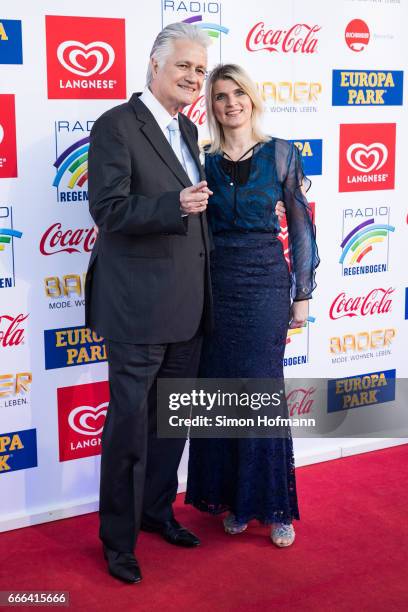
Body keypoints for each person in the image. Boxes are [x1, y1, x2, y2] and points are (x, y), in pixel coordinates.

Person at [85, 23, 214, 583]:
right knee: (130, 427)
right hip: (137, 310)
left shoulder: (188, 132)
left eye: (200, 70)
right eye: (185, 66)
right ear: (153, 67)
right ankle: (118, 541)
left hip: (189, 307)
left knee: (172, 423)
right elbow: (108, 210)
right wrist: (172, 206)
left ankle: (157, 512)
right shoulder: (116, 124)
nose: (194, 78)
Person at [185, 64, 319, 547]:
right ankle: (234, 501)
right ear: (212, 105)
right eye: (220, 96)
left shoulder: (282, 153)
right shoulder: (200, 158)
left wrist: (302, 293)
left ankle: (273, 505)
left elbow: (302, 226)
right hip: (215, 284)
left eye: (237, 92)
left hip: (264, 282)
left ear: (252, 98)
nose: (230, 103)